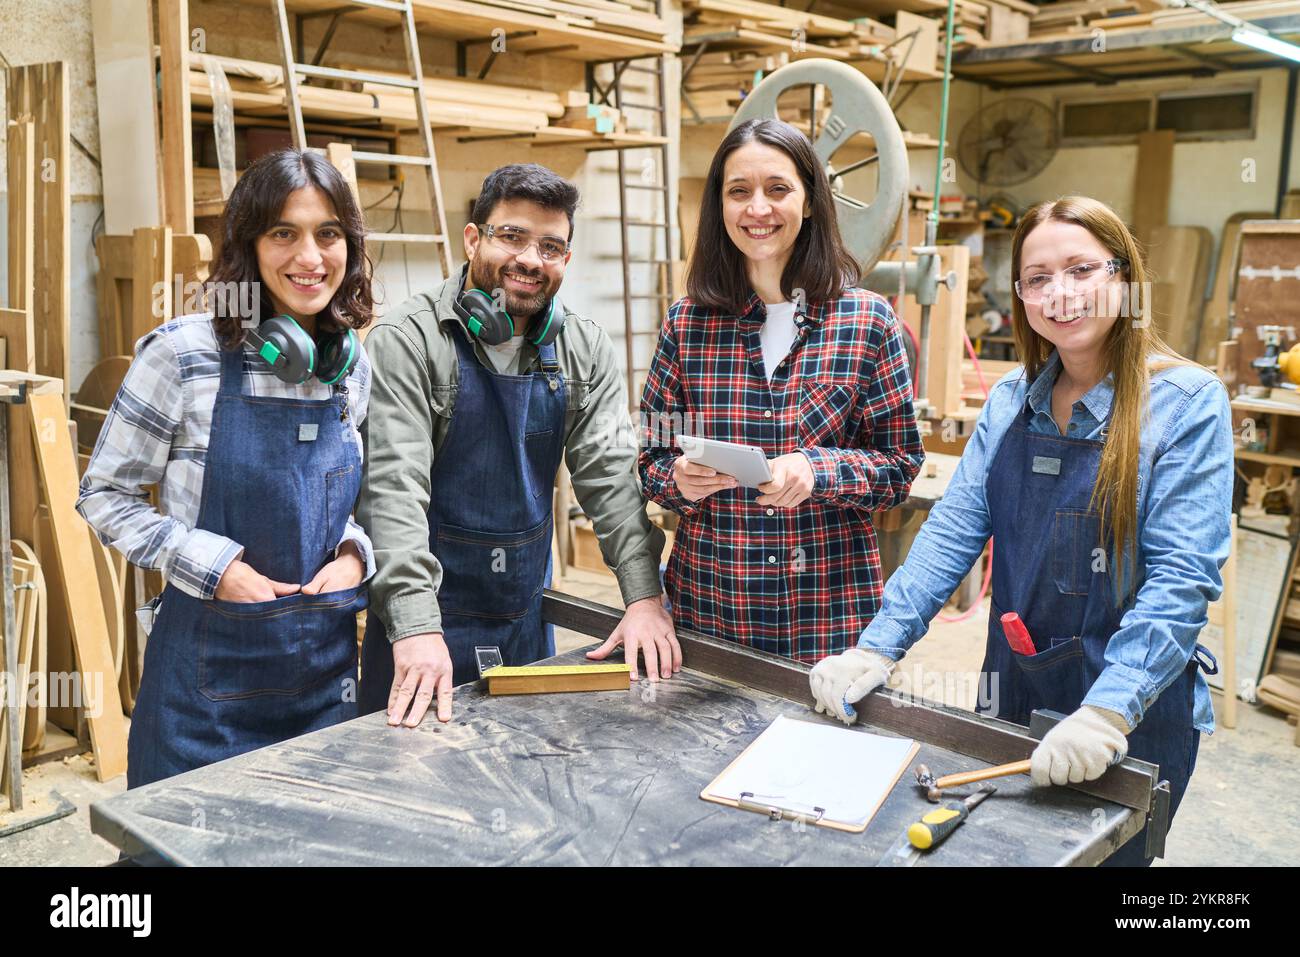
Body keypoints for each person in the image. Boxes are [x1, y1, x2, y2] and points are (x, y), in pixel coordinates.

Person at [809, 195, 1233, 866]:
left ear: (1123, 279)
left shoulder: (1185, 402)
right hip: (1014, 688)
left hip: (1135, 711)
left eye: (1081, 269)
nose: (1059, 293)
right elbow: (953, 528)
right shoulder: (1013, 398)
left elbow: (1183, 577)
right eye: (1038, 278)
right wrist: (876, 647)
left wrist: (1108, 713)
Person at [78, 149, 375, 788]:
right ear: (247, 246)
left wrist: (354, 554)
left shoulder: (349, 367)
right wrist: (212, 569)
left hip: (324, 679)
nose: (310, 258)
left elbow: (347, 502)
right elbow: (103, 494)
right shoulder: (183, 355)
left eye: (328, 234)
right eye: (283, 234)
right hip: (205, 690)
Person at [358, 163, 679, 727]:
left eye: (550, 246)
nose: (530, 258)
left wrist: (643, 597)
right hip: (424, 621)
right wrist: (414, 626)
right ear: (473, 238)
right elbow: (393, 491)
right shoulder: (409, 341)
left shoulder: (583, 346)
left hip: (524, 614)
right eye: (512, 236)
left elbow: (608, 479)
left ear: (565, 261)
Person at [637, 119, 924, 663]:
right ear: (719, 208)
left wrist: (820, 470)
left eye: (778, 189)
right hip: (711, 607)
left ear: (810, 201)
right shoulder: (687, 324)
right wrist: (677, 480)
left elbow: (901, 466)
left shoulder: (866, 320)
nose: (757, 209)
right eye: (738, 192)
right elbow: (650, 457)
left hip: (830, 617)